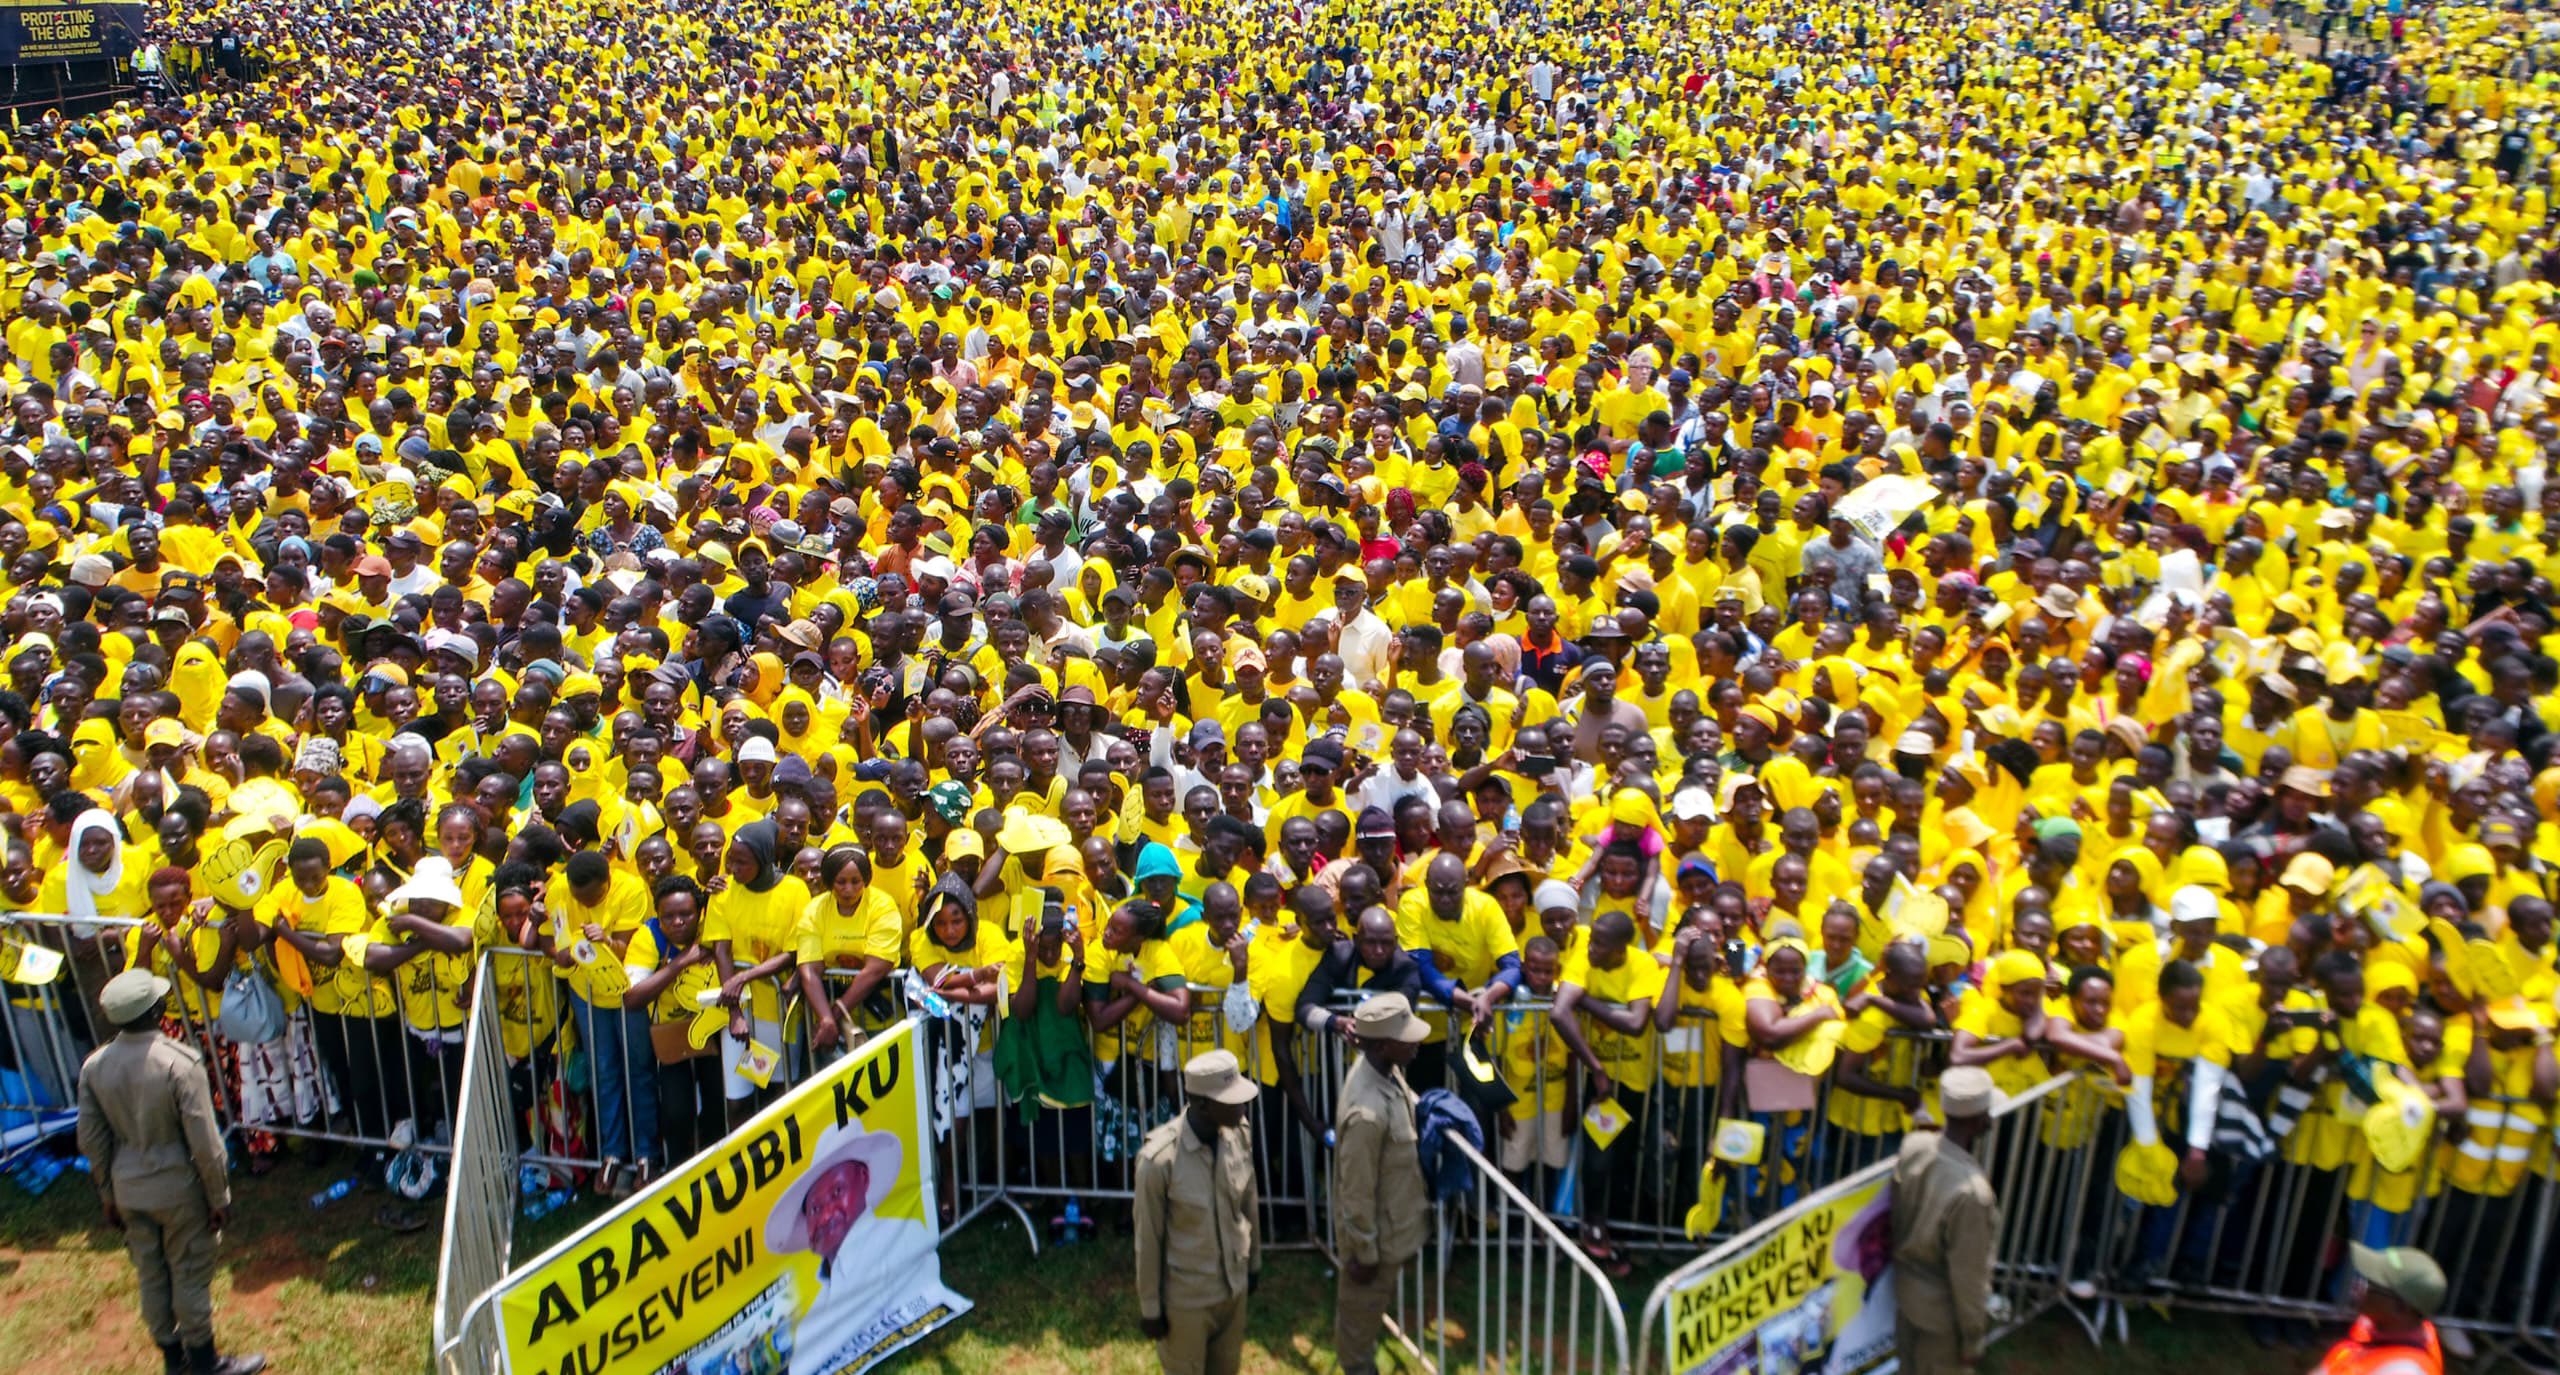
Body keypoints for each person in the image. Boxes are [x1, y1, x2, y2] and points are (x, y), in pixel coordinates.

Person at [75, 966, 267, 1375]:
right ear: (157, 1009)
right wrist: (219, 1197)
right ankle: (204, 1361)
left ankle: (171, 1359)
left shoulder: (95, 1067)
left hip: (128, 1189)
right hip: (178, 1189)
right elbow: (205, 1141)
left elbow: (92, 1140)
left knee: (151, 1274)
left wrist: (107, 1194)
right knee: (189, 1273)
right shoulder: (178, 1061)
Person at [764, 1120, 939, 1375]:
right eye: (814, 1209)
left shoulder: (904, 1235)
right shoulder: (811, 1316)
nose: (825, 1217)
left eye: (837, 1193)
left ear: (864, 1179)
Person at [1132, 1049, 1262, 1375]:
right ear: (1203, 1104)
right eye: (1233, 1101)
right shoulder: (1159, 1161)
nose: (1243, 1108)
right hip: (1187, 1302)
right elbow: (1148, 1238)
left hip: (1233, 1291)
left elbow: (1249, 1203)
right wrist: (1150, 1307)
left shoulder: (1239, 1135)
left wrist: (1254, 1262)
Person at [1332, 993, 1430, 1375]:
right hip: (1376, 1241)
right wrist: (1364, 1253)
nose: (1417, 1041)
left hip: (1395, 1226)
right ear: (1384, 1043)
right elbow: (1355, 1189)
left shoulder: (1385, 1070)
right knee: (1359, 1324)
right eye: (1407, 1036)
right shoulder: (1366, 1113)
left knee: (1369, 1312)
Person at [1891, 1065, 2001, 1375]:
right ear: (1981, 1120)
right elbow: (1968, 1279)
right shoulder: (1973, 1194)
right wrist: (1973, 1341)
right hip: (1943, 1318)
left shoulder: (1914, 1146)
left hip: (1907, 1296)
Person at [2311, 1245, 2447, 1375]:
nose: (2357, 1286)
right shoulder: (2380, 1327)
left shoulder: (2403, 1370)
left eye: (2370, 1284)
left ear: (2400, 1308)